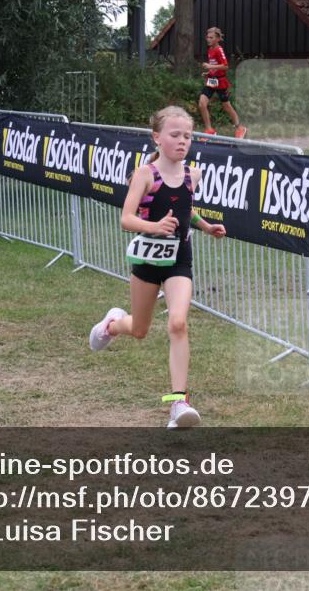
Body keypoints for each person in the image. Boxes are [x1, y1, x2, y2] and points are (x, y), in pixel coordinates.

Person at [89, 106, 227, 428]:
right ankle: (112, 324)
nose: (182, 141)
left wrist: (205, 226)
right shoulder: (145, 175)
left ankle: (178, 403)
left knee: (178, 324)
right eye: (175, 135)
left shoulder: (193, 175)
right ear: (157, 137)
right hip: (147, 259)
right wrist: (154, 228)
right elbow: (126, 218)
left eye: (188, 136)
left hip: (180, 258)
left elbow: (185, 210)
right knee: (139, 330)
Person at [198, 26, 248, 139]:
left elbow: (225, 66)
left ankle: (240, 128)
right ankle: (209, 130)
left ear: (217, 39)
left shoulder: (218, 50)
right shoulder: (210, 49)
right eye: (207, 37)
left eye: (211, 37)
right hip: (212, 80)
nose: (208, 39)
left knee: (226, 106)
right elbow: (216, 66)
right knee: (202, 103)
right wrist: (209, 73)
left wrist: (210, 66)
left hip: (220, 81)